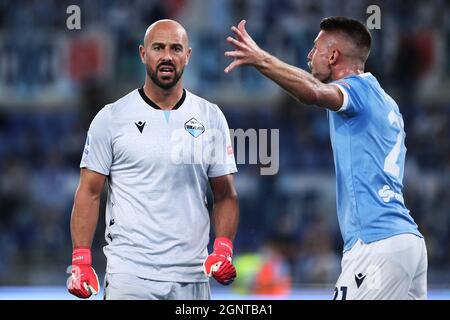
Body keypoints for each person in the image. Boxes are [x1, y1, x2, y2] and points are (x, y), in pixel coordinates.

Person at [224, 17, 427, 300]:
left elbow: (312, 92)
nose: (309, 55)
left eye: (315, 48)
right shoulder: (386, 102)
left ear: (333, 56)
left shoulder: (359, 90)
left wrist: (261, 59)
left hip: (375, 242)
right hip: (408, 241)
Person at [67, 19, 239, 300]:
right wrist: (81, 261)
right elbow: (89, 192)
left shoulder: (211, 117)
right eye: (158, 48)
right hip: (130, 275)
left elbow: (226, 194)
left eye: (176, 48)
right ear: (143, 54)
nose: (167, 56)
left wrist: (223, 249)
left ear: (189, 55)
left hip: (192, 274)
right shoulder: (111, 118)